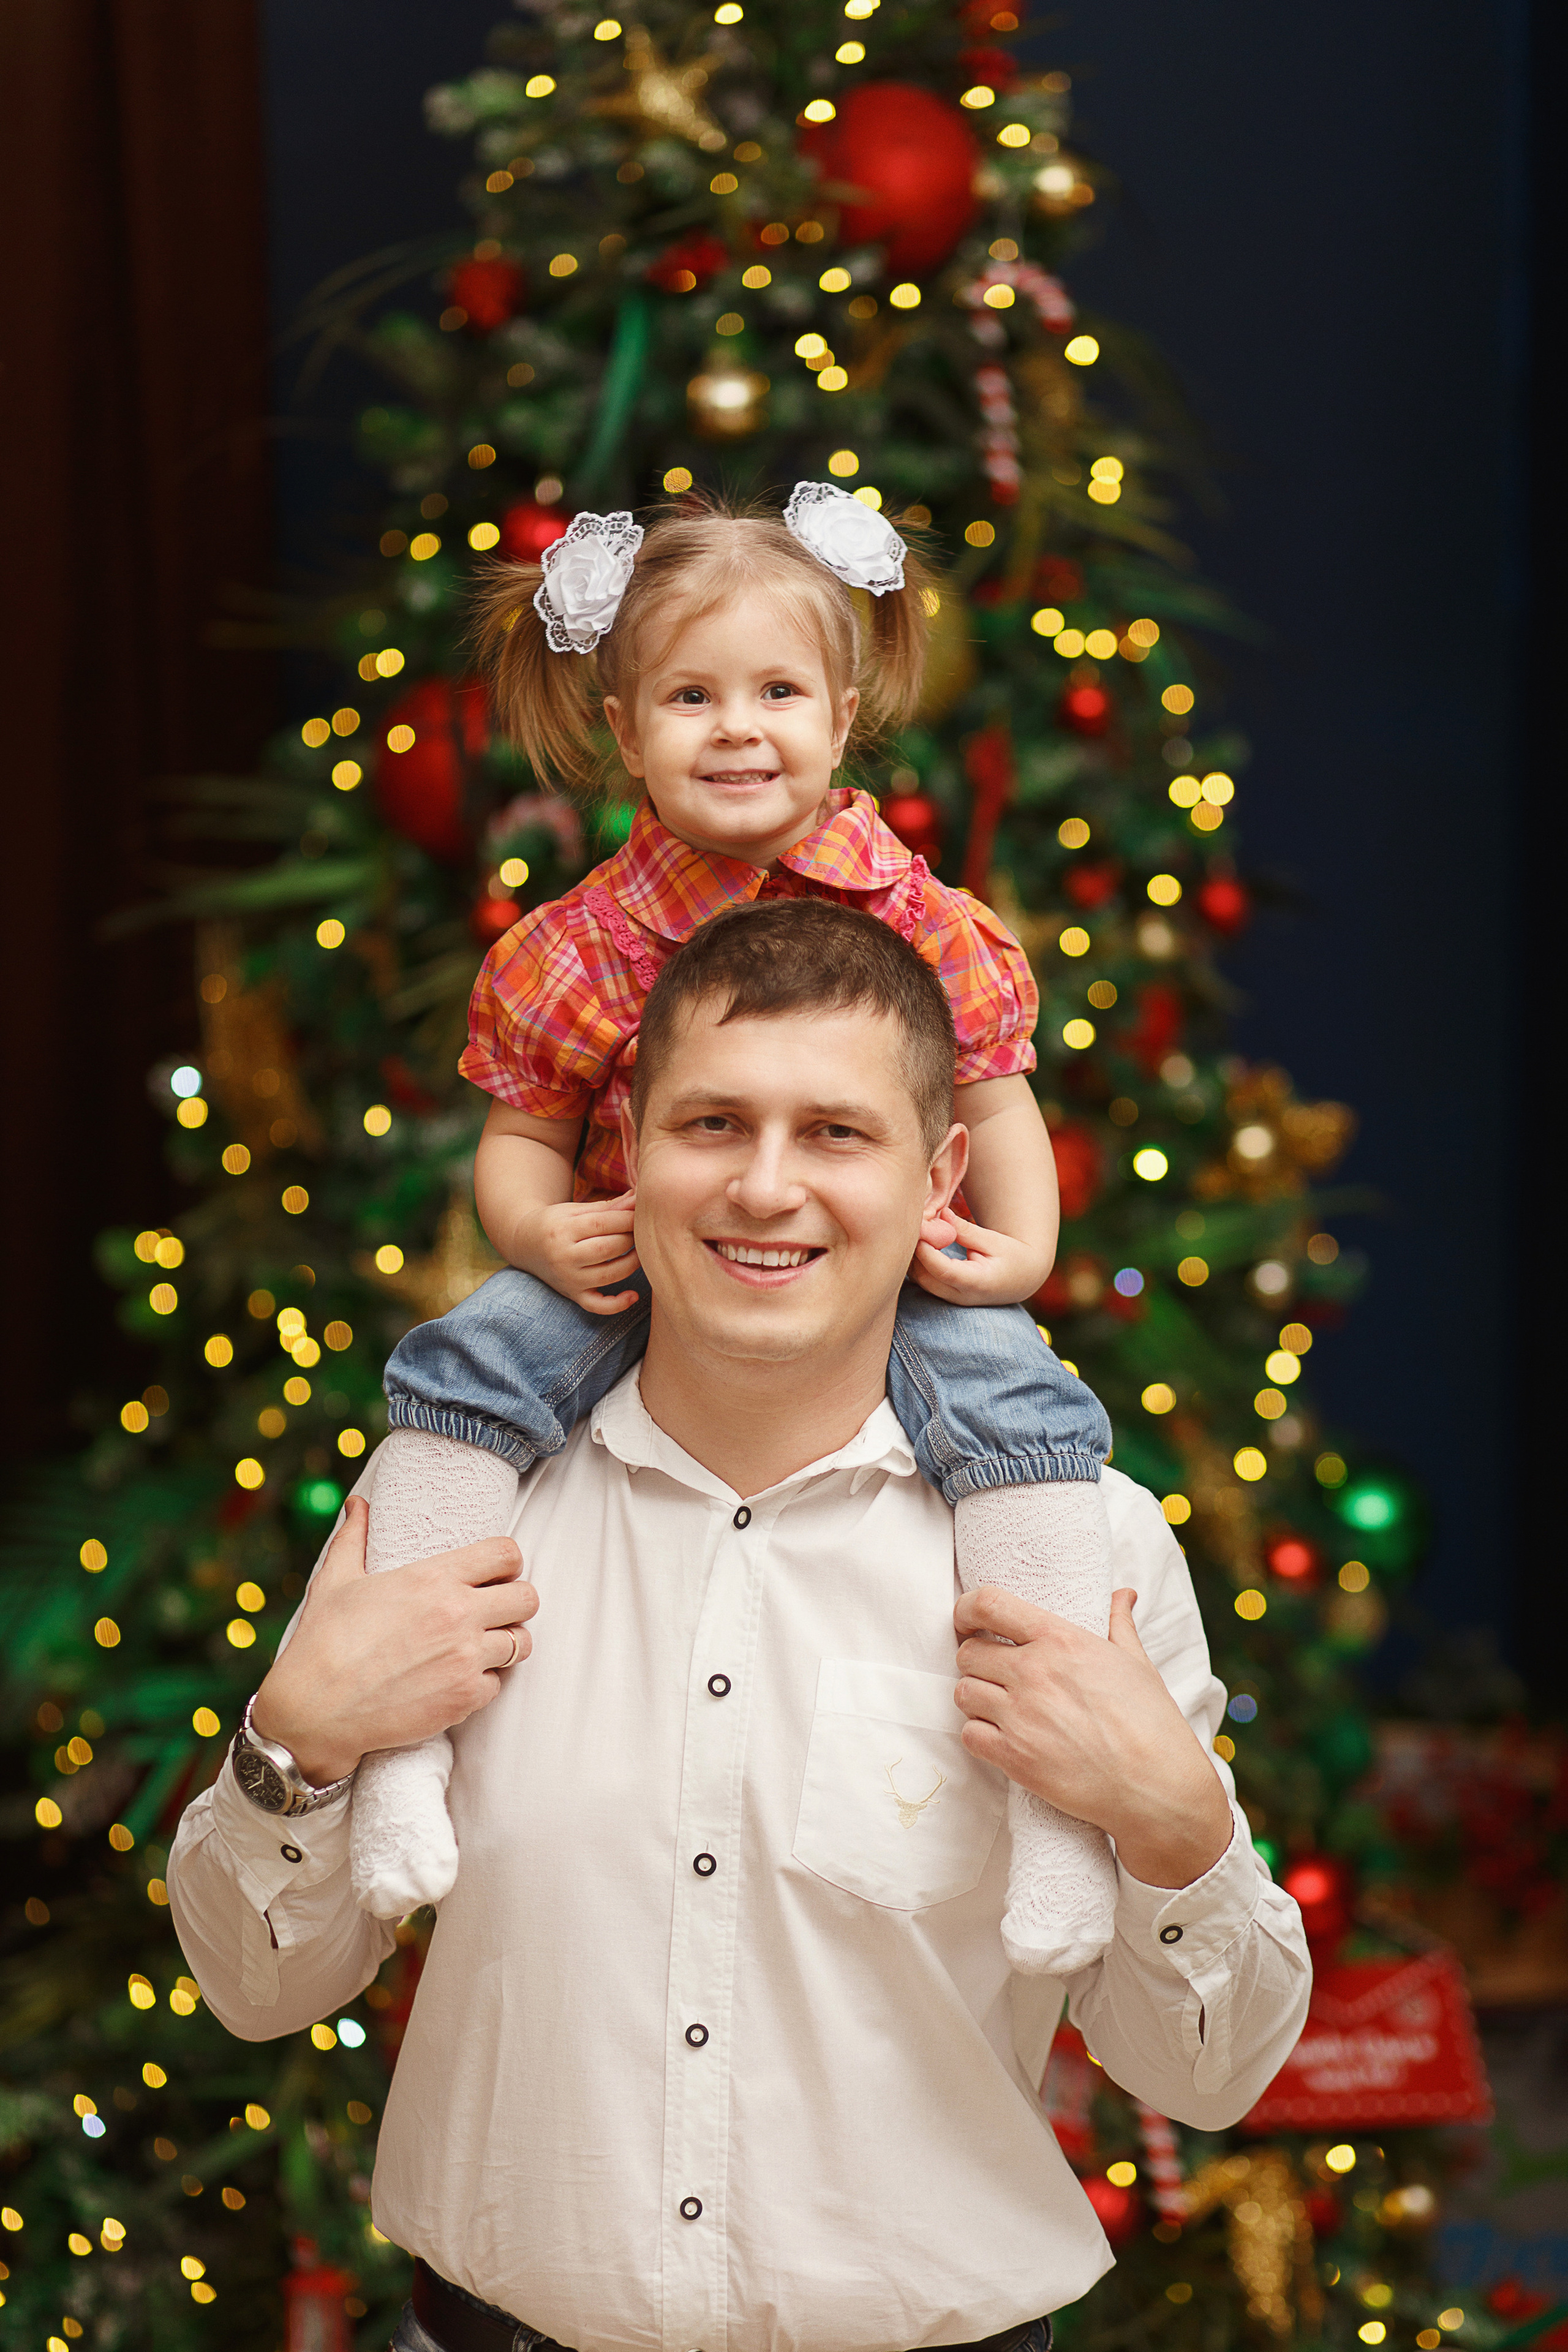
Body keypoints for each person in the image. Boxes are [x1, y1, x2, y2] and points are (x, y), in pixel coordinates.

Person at [168, 900, 1311, 2352]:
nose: (766, 1187)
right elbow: (260, 1989)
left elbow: (1202, 2077)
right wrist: (292, 1748)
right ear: (629, 1149)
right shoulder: (452, 1522)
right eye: (711, 1124)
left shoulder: (1081, 1552)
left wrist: (1169, 1821)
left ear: (939, 1174)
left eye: (836, 1133)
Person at [356, 486, 1117, 1976]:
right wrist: (537, 1236)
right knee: (459, 1376)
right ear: (625, 731)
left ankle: (1061, 1817)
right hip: (632, 1263)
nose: (736, 728)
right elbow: (513, 1139)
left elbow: (995, 1097)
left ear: (842, 716)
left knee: (1025, 1414)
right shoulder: (579, 944)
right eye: (690, 697)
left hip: (862, 1276)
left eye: (775, 691)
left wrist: (1016, 1254)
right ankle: (394, 1749)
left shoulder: (922, 922)